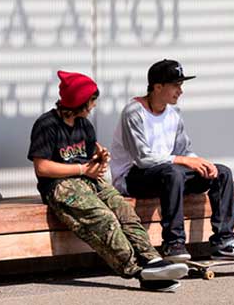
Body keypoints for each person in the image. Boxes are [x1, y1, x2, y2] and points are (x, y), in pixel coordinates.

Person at [28, 70, 189, 290]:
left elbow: (88, 156)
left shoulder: (84, 125)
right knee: (104, 219)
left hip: (88, 180)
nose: (94, 106)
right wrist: (83, 169)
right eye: (92, 101)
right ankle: (138, 270)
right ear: (80, 102)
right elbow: (42, 167)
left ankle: (152, 261)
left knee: (124, 211)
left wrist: (99, 159)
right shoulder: (47, 125)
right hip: (60, 186)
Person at [110, 58, 234, 263]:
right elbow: (143, 159)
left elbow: (183, 151)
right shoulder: (134, 112)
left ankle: (224, 242)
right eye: (176, 85)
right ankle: (173, 243)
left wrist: (200, 163)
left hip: (168, 176)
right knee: (172, 172)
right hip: (132, 178)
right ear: (157, 86)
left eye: (181, 85)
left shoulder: (173, 114)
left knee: (221, 172)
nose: (180, 90)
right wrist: (183, 161)